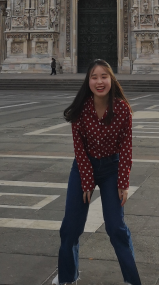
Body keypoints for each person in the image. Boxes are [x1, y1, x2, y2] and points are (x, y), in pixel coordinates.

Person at [54, 59, 141, 285]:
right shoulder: (80, 110)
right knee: (70, 227)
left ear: (112, 79)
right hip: (84, 166)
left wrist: (123, 183)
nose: (99, 81)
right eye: (94, 77)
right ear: (88, 81)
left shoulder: (122, 109)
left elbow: (126, 148)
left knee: (116, 227)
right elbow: (79, 149)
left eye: (104, 76)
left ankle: (132, 281)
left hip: (112, 168)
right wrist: (86, 180)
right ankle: (67, 277)